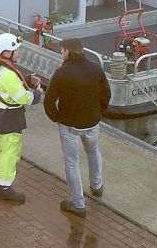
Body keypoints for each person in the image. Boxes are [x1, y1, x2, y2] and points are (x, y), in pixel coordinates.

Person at [43, 38, 111, 218]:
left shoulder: (61, 73)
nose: (61, 53)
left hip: (69, 125)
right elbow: (106, 94)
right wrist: (98, 113)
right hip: (92, 123)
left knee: (72, 162)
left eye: (62, 50)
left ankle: (78, 204)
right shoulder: (96, 68)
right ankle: (97, 186)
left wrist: (56, 117)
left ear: (68, 52)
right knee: (93, 150)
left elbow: (49, 101)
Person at [0, 33, 43, 204]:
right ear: (5, 53)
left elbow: (4, 87)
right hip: (9, 117)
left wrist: (26, 80)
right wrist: (38, 94)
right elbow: (22, 97)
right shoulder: (8, 74)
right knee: (10, 152)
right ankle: (5, 188)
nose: (19, 52)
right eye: (15, 50)